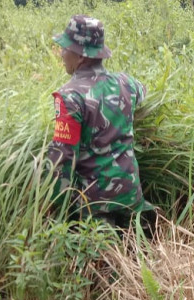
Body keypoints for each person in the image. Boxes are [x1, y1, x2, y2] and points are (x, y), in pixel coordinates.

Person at [47, 15, 154, 231]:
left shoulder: (70, 97)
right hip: (131, 194)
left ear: (81, 55)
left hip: (95, 203)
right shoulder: (126, 83)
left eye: (65, 48)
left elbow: (62, 157)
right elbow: (143, 92)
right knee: (137, 250)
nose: (62, 53)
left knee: (101, 251)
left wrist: (56, 206)